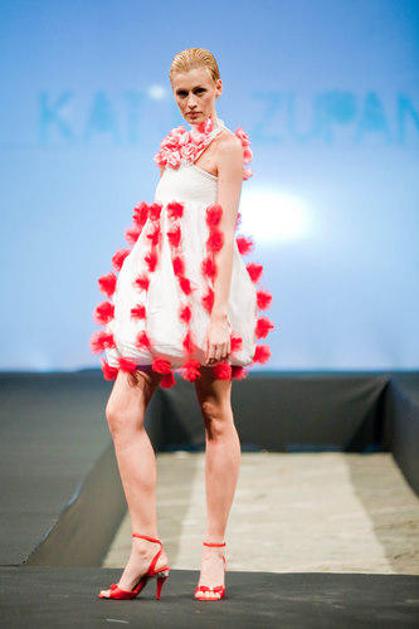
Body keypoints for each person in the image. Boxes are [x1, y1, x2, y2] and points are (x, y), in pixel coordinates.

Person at [91, 47, 274, 601]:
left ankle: (213, 551)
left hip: (204, 292)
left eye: (199, 90)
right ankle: (146, 546)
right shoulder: (173, 143)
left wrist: (218, 316)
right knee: (121, 412)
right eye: (181, 93)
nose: (191, 102)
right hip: (157, 290)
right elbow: (163, 221)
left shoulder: (228, 147)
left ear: (218, 86)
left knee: (215, 413)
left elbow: (224, 233)